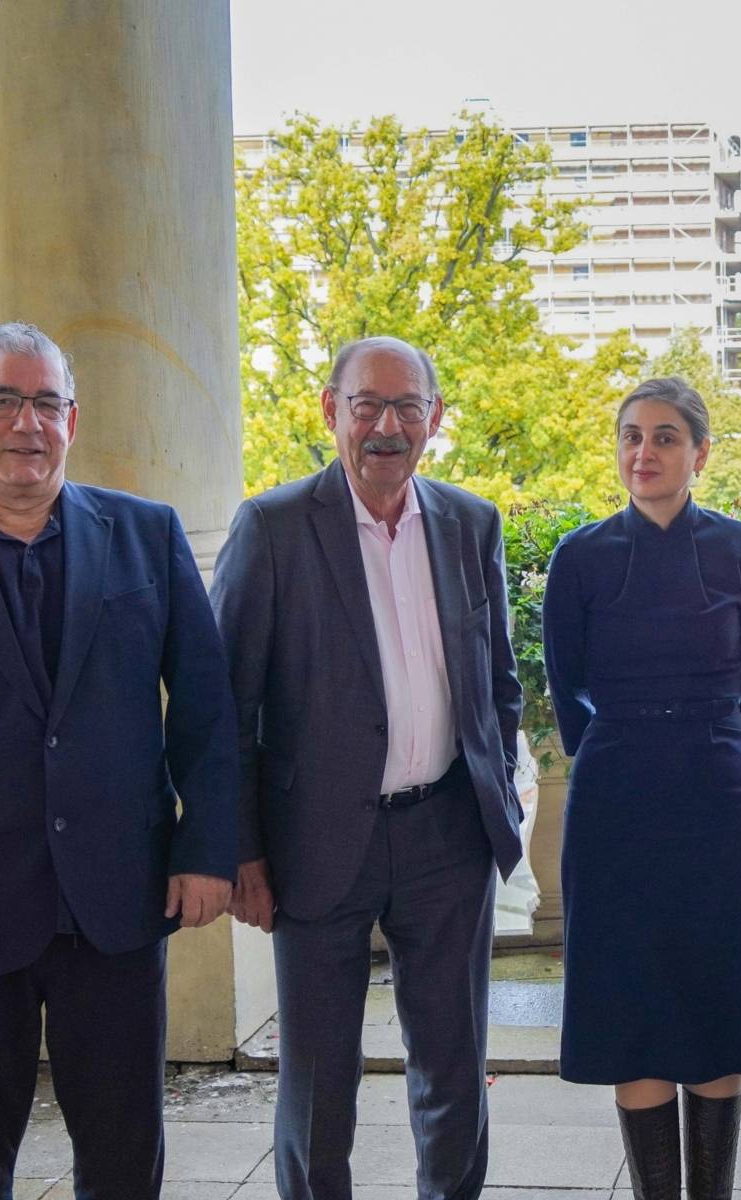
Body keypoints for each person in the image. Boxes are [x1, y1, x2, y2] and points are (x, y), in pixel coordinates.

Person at [211, 335, 523, 1199]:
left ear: (435, 418)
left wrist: (497, 795)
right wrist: (241, 852)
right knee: (318, 1085)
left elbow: (497, 679)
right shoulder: (271, 528)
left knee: (454, 1074)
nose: (387, 426)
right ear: (329, 410)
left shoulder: (471, 522)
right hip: (315, 843)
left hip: (449, 839)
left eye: (407, 406)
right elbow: (225, 709)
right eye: (367, 405)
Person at [0, 322, 238, 1198]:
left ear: (73, 418)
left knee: (121, 1156)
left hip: (117, 898)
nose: (26, 422)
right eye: (4, 401)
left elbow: (208, 710)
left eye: (46, 403)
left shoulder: (147, 536)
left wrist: (204, 848)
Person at [542, 376, 741, 1200]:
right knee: (631, 1010)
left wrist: (713, 751)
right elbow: (566, 685)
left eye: (666, 436)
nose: (644, 452)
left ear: (701, 452)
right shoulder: (580, 555)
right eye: (631, 436)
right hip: (615, 797)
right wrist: (622, 751)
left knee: (715, 1006)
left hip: (719, 791)